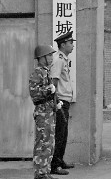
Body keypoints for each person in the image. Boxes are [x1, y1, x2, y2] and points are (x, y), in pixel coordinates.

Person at [29, 44, 60, 179]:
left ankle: (45, 171)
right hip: (42, 113)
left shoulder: (46, 71)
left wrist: (56, 102)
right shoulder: (37, 72)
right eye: (49, 55)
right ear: (42, 57)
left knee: (48, 143)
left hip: (48, 112)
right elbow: (34, 93)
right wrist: (49, 90)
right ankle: (40, 173)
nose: (51, 58)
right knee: (42, 143)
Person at [50, 31, 76, 175]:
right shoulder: (58, 60)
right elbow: (54, 83)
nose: (72, 46)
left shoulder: (63, 59)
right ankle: (55, 165)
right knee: (60, 134)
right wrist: (56, 102)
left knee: (64, 133)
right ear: (63, 44)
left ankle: (60, 160)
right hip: (60, 101)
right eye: (70, 43)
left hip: (65, 101)